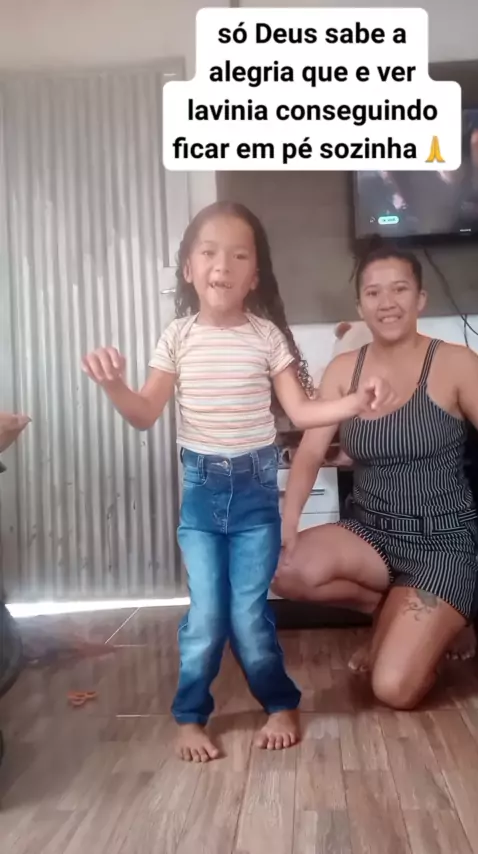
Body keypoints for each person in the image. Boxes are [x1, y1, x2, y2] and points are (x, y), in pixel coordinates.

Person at [81, 201, 391, 763]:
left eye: (239, 255)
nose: (222, 264)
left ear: (254, 276)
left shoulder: (266, 336)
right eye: (209, 252)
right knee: (206, 616)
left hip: (254, 497)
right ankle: (190, 717)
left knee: (249, 615)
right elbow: (145, 414)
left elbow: (301, 411)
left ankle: (280, 703)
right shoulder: (177, 337)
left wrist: (353, 403)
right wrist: (115, 387)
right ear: (188, 269)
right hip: (202, 497)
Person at [274, 242, 478, 711]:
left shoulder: (456, 364)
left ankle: (446, 617)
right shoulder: (345, 369)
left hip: (442, 544)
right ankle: (393, 612)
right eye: (373, 292)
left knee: (392, 688)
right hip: (370, 533)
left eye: (399, 289)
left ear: (420, 298)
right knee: (280, 566)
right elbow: (310, 454)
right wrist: (289, 521)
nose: (387, 302)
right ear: (360, 304)